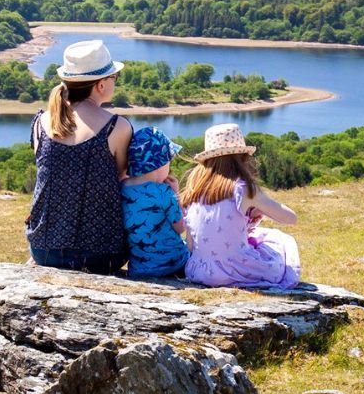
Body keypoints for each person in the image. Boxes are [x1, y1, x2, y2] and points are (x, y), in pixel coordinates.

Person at [25, 39, 133, 274]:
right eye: (114, 77)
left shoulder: (40, 123)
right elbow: (124, 178)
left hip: (43, 249)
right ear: (101, 85)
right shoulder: (117, 127)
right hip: (101, 255)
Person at [180, 123, 301, 288]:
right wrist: (261, 209)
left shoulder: (194, 191)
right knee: (281, 240)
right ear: (242, 157)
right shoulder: (243, 188)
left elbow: (191, 244)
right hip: (236, 271)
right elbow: (290, 218)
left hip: (199, 271)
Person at [121, 127, 189, 278]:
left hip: (139, 269)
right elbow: (181, 228)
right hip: (174, 264)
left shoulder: (121, 188)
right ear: (159, 163)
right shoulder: (163, 192)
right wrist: (176, 194)